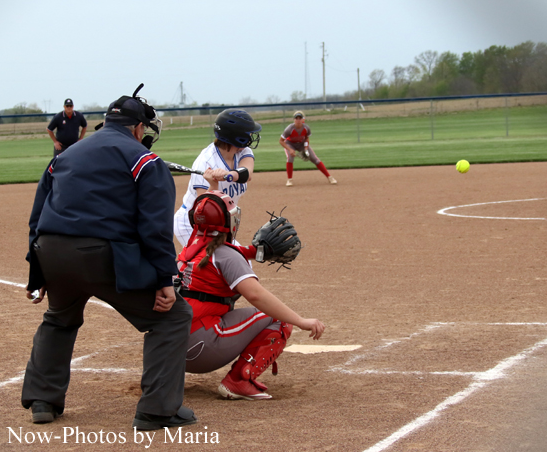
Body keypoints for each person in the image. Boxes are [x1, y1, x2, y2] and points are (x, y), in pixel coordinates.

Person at [22, 86, 195, 430]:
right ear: (137, 128)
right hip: (101, 255)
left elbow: (38, 214)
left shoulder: (65, 155)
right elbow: (155, 228)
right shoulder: (145, 160)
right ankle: (157, 410)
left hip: (51, 251)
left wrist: (36, 272)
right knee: (173, 316)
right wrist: (165, 279)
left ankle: (43, 401)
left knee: (59, 317)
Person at [176, 190, 325, 400]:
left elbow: (226, 254)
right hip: (199, 350)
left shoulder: (189, 249)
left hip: (167, 351)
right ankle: (238, 381)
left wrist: (256, 252)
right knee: (278, 320)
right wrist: (301, 321)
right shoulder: (226, 256)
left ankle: (160, 378)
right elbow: (255, 295)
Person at [173, 109, 261, 248]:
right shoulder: (205, 162)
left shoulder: (243, 151)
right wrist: (213, 185)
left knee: (241, 264)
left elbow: (247, 174)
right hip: (192, 224)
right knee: (217, 264)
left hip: (221, 224)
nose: (252, 135)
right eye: (248, 133)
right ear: (237, 137)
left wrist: (228, 175)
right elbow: (204, 212)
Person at [279, 111, 336, 187]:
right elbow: (281, 141)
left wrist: (306, 148)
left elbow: (306, 138)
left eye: (300, 118)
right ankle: (289, 180)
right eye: (296, 118)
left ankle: (330, 177)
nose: (298, 120)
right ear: (294, 120)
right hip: (290, 144)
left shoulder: (306, 128)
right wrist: (290, 149)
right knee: (290, 158)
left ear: (303, 119)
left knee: (315, 159)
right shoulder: (289, 129)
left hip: (302, 144)